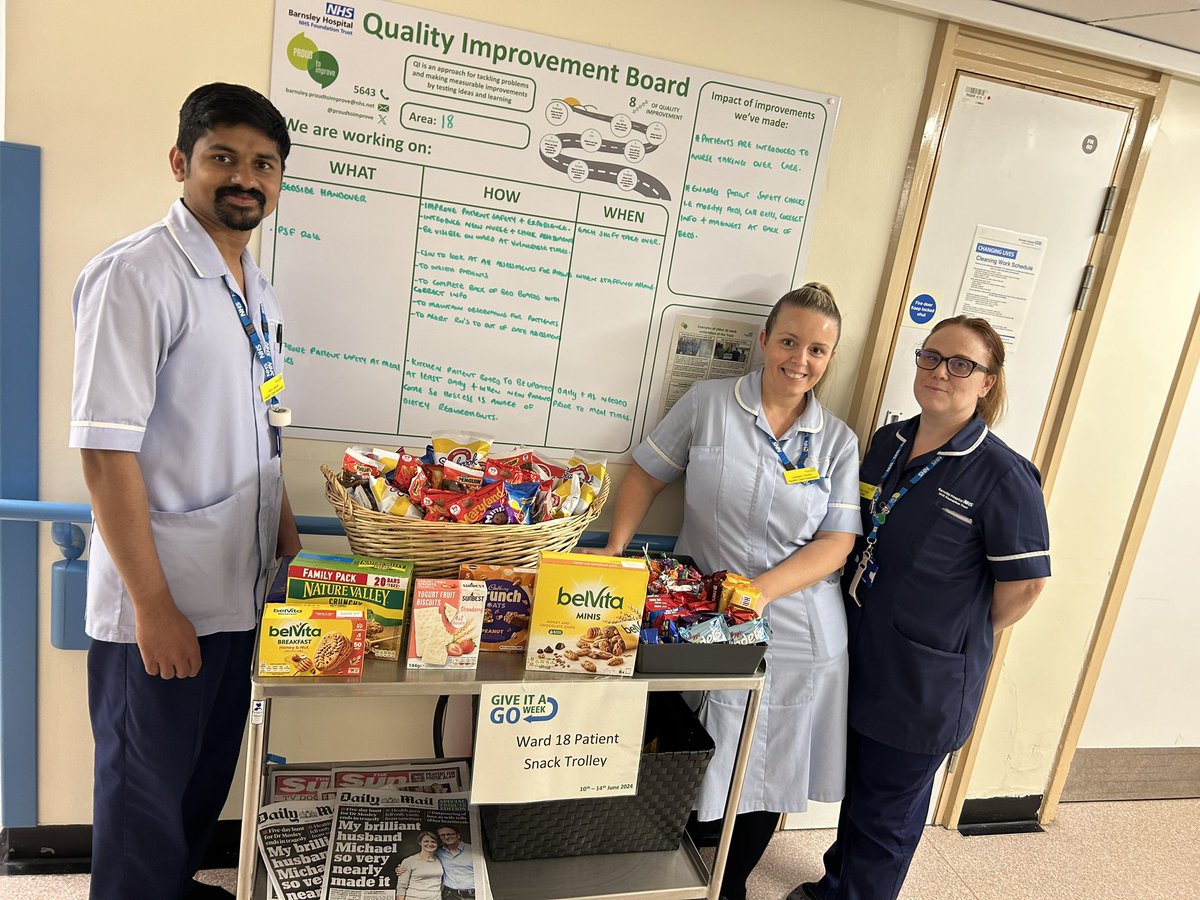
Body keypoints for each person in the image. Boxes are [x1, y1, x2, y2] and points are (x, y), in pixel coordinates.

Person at [69, 83, 301, 900]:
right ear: (181, 162)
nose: (245, 178)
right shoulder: (137, 275)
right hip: (162, 601)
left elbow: (260, 415)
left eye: (263, 164)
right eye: (223, 157)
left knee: (200, 784)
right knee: (144, 798)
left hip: (237, 589)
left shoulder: (255, 288)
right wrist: (153, 607)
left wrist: (282, 523)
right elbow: (105, 451)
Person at [590, 283, 862, 900]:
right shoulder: (709, 403)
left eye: (817, 350)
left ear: (829, 358)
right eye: (789, 341)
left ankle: (729, 885)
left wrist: (758, 593)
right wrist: (615, 549)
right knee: (690, 747)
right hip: (699, 616)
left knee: (770, 765)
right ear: (764, 340)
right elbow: (647, 474)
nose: (800, 359)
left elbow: (837, 543)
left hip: (796, 625)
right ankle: (669, 876)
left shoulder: (836, 441)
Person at [791, 316, 1050, 900]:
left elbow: (1027, 585)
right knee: (861, 792)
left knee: (888, 814)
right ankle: (838, 885)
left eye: (962, 364)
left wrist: (959, 630)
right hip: (862, 650)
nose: (940, 372)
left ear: (987, 382)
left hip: (925, 678)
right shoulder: (888, 443)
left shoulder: (1004, 475)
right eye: (930, 356)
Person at [394, 832, 445, 900]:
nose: (430, 844)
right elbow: (401, 886)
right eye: (426, 841)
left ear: (437, 844)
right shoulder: (409, 861)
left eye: (433, 842)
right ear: (420, 842)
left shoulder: (440, 860)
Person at [435, 824, 475, 899]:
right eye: (442, 835)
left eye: (450, 834)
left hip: (471, 895)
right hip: (449, 895)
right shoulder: (438, 852)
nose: (446, 837)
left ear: (458, 835)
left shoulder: (473, 850)